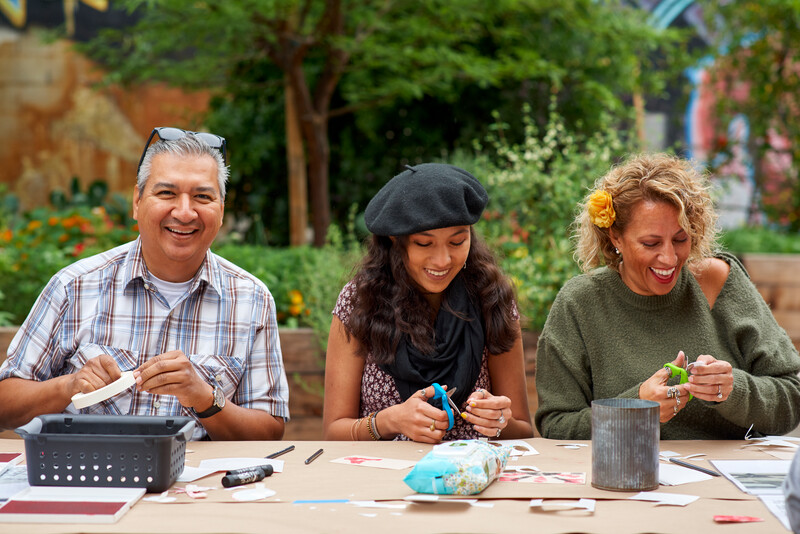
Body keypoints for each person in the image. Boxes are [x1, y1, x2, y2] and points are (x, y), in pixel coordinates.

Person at [0, 127, 289, 440]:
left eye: (203, 197)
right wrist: (66, 386)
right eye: (166, 194)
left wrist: (205, 398)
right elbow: (5, 404)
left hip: (198, 473)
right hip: (88, 469)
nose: (185, 212)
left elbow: (269, 431)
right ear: (137, 202)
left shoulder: (252, 299)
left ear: (221, 211)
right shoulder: (75, 286)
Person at [535, 153, 800, 440]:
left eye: (680, 239)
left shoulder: (718, 281)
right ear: (615, 237)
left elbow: (792, 397)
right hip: (627, 468)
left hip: (727, 469)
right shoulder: (579, 303)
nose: (670, 258)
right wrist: (634, 409)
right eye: (651, 243)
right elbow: (556, 426)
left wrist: (732, 389)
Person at [323, 163, 532, 443]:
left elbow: (523, 429)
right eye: (424, 244)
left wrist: (499, 421)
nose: (443, 260)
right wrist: (388, 421)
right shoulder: (359, 300)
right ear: (395, 241)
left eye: (457, 242)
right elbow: (333, 432)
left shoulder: (491, 296)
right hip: (384, 470)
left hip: (470, 469)